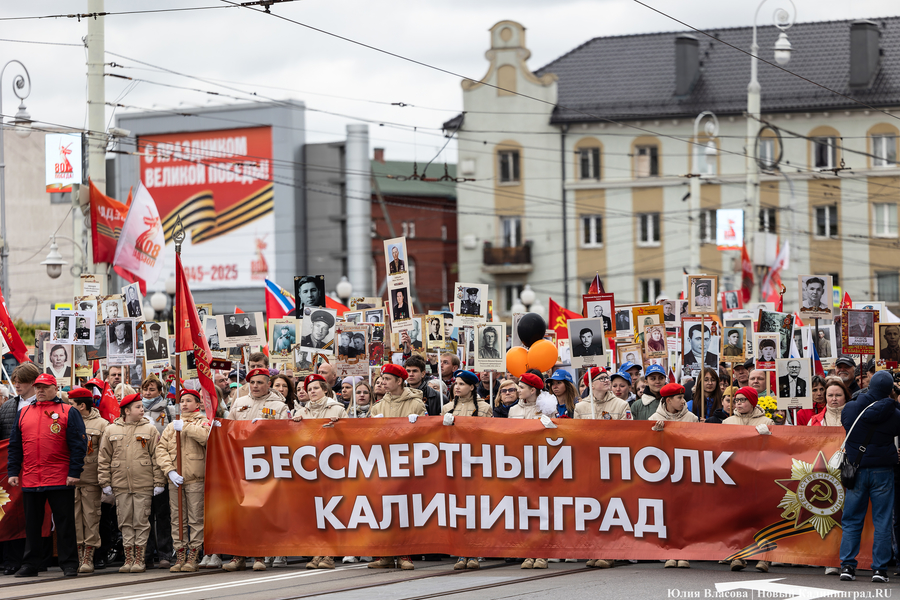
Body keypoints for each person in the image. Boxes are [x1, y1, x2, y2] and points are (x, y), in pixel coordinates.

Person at [7, 374, 86, 578]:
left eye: (45, 387)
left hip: (60, 476)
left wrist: (74, 472)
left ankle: (69, 563)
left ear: (55, 388)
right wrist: (13, 471)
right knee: (32, 524)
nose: (40, 390)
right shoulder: (24, 413)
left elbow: (79, 444)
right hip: (31, 477)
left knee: (64, 522)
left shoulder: (68, 411)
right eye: (38, 387)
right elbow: (15, 445)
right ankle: (30, 564)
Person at [223, 369, 289, 572]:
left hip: (264, 464)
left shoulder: (279, 406)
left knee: (260, 510)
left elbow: (285, 434)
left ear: (268, 384)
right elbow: (228, 429)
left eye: (260, 382)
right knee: (239, 510)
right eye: (252, 382)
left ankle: (260, 555)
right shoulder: (238, 402)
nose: (255, 386)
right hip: (240, 463)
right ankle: (239, 556)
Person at [838, 371, 900, 583]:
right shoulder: (894, 413)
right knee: (882, 521)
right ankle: (880, 570)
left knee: (852, 519)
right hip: (883, 471)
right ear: (890, 390)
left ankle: (847, 565)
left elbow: (847, 425)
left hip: (856, 469)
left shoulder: (851, 408)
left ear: (868, 385)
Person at [367, 364, 426, 571]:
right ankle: (384, 554)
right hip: (384, 462)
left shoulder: (416, 404)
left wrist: (418, 424)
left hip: (407, 462)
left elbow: (427, 434)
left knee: (403, 510)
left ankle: (404, 555)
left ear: (399, 381)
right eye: (382, 378)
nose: (382, 382)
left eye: (387, 379)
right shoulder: (378, 406)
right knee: (383, 509)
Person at [98, 392, 164, 574]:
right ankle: (129, 558)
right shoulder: (111, 430)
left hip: (143, 483)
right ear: (126, 411)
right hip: (120, 484)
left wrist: (159, 482)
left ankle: (139, 559)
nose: (142, 410)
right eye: (138, 407)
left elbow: (157, 457)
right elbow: (104, 458)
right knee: (125, 521)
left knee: (141, 521)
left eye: (142, 406)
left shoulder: (150, 429)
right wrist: (105, 481)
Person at [155, 389, 210, 573]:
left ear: (198, 404)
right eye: (182, 401)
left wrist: (185, 427)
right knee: (177, 519)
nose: (184, 404)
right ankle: (180, 553)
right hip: (176, 480)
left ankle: (193, 555)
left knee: (196, 519)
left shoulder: (203, 421)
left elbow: (206, 438)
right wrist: (169, 471)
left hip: (195, 478)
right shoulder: (171, 426)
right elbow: (161, 449)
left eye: (188, 400)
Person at [722, 386, 775, 573]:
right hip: (736, 475)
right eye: (736, 400)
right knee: (738, 517)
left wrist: (769, 436)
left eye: (743, 400)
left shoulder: (767, 421)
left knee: (761, 517)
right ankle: (738, 555)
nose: (738, 403)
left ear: (752, 402)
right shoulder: (727, 422)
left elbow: (776, 449)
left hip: (759, 475)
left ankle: (764, 557)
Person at [68, 387, 108, 574]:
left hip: (91, 479)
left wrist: (104, 480)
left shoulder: (102, 424)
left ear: (82, 406)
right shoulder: (67, 421)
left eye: (71, 404)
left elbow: (105, 455)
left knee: (91, 518)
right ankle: (78, 553)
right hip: (70, 479)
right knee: (74, 519)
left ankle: (88, 556)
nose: (68, 407)